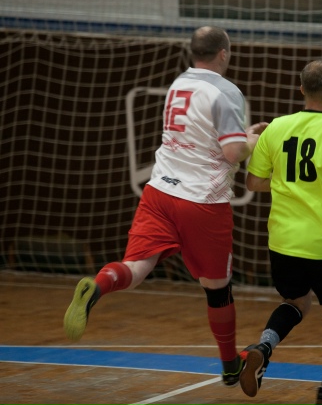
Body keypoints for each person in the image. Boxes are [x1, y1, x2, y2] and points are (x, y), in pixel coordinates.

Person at [63, 26, 268, 387]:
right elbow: (233, 152)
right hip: (202, 201)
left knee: (136, 268)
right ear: (223, 53)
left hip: (159, 192)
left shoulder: (178, 84)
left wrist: (239, 137)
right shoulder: (226, 91)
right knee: (217, 289)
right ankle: (229, 366)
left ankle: (97, 286)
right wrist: (252, 137)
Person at [239, 60, 322, 404]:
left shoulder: (276, 128)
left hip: (284, 242)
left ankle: (264, 347)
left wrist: (286, 182)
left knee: (295, 303)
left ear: (301, 90)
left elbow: (252, 182)